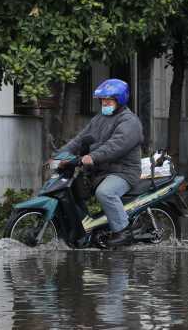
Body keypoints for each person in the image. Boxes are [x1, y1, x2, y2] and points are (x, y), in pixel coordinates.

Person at [58, 79, 143, 246]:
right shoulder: (100, 118)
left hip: (123, 172)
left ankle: (122, 230)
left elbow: (115, 146)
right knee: (73, 188)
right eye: (102, 100)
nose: (104, 103)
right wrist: (60, 155)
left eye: (109, 100)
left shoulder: (129, 121)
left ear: (120, 100)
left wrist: (92, 157)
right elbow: (79, 139)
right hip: (102, 171)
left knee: (105, 193)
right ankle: (83, 230)